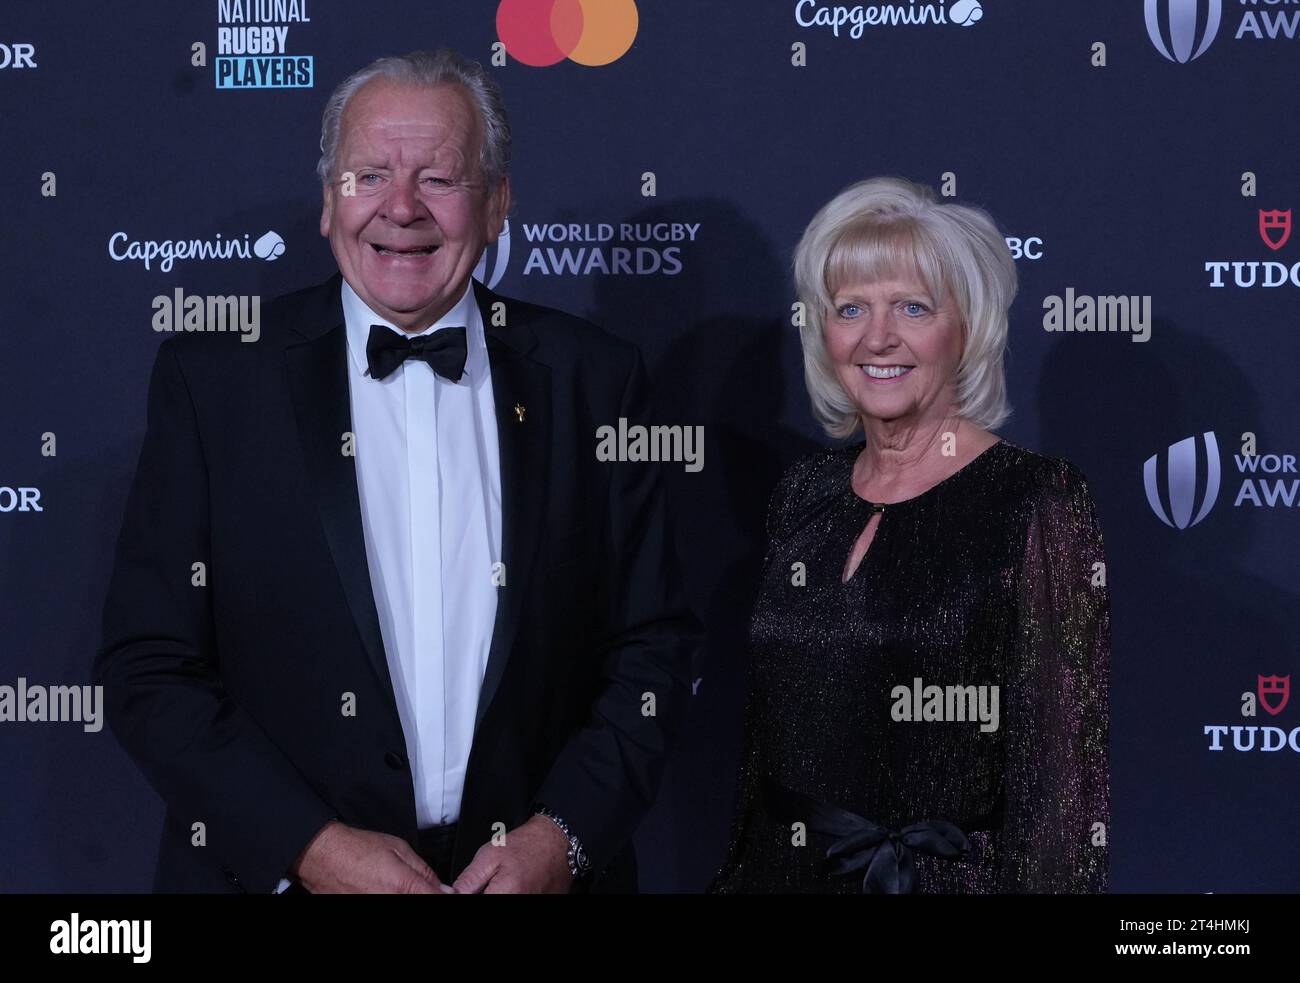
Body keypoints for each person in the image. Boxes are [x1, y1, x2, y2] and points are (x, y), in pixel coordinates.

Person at [95, 49, 697, 895]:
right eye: (368, 175)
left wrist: (562, 837)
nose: (401, 208)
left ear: (497, 204)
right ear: (328, 202)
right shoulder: (215, 382)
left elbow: (654, 650)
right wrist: (309, 847)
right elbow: (150, 669)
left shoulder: (594, 381)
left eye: (440, 179)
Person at [711, 176, 1110, 893]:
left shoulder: (1034, 499)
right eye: (851, 308)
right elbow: (763, 754)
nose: (877, 337)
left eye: (912, 307)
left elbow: (1062, 792)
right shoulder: (804, 494)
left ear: (969, 325)